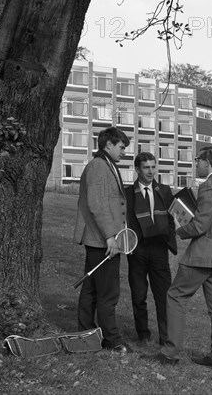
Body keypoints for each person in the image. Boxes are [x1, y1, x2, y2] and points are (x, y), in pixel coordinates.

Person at [144, 145, 212, 368]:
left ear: (207, 162)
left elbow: (201, 225)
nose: (196, 164)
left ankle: (170, 353)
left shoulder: (208, 187)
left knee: (175, 296)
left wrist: (179, 228)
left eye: (197, 160)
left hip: (202, 256)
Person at [73, 127, 131, 355]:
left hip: (101, 239)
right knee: (108, 292)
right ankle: (112, 340)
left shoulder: (105, 165)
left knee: (92, 289)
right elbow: (97, 204)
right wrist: (110, 236)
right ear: (108, 145)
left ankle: (86, 334)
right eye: (121, 147)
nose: (124, 152)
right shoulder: (98, 167)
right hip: (102, 240)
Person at [126, 152, 177, 346]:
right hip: (137, 250)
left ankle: (166, 337)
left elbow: (172, 219)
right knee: (139, 295)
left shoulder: (164, 190)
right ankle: (143, 334)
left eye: (153, 167)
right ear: (137, 169)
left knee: (163, 295)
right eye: (146, 167)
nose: (150, 171)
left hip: (159, 250)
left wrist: (169, 241)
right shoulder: (128, 194)